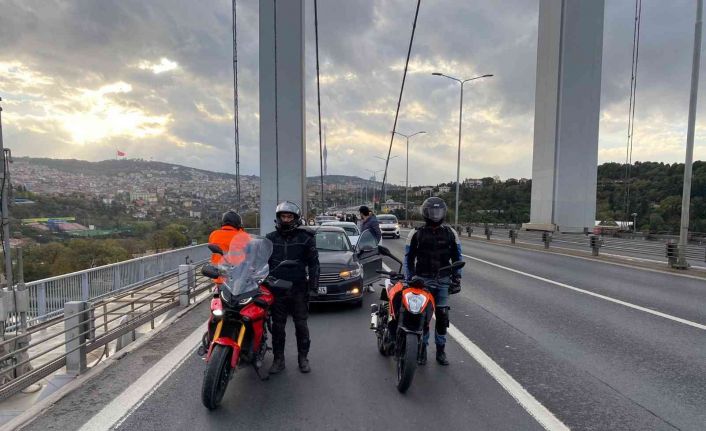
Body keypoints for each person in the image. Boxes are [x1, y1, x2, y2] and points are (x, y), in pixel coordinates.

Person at [403, 197, 462, 366]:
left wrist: (457, 278)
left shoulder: (451, 233)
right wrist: (409, 278)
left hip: (443, 279)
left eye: (438, 211)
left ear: (443, 212)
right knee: (423, 315)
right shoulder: (416, 233)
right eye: (432, 212)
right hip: (422, 280)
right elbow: (408, 258)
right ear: (425, 213)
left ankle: (441, 350)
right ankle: (422, 348)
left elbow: (458, 257)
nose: (435, 215)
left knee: (442, 316)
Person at [266, 201, 320, 374]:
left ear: (295, 218)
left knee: (301, 325)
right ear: (278, 217)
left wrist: (314, 287)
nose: (286, 219)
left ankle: (303, 358)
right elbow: (260, 263)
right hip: (277, 289)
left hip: (298, 288)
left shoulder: (306, 238)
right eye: (283, 216)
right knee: (277, 327)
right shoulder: (270, 239)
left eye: (289, 216)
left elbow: (314, 264)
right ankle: (278, 360)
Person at [208, 210, 247, 286]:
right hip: (237, 277)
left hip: (218, 277)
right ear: (238, 223)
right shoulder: (243, 236)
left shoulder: (214, 234)